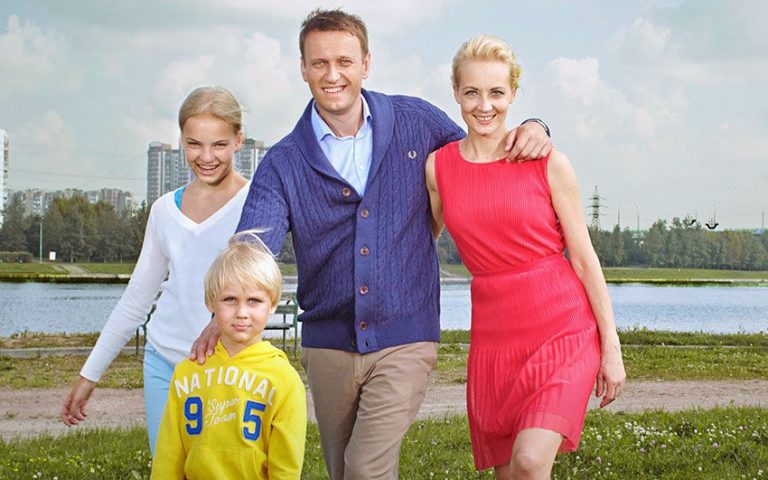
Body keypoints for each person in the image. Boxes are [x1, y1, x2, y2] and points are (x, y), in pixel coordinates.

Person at [190, 9, 552, 479]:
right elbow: (254, 245)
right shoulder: (282, 162)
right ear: (303, 69)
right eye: (320, 63)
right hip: (328, 343)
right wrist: (225, 310)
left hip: (406, 334)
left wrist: (536, 126)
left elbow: (482, 149)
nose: (333, 74)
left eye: (344, 61)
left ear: (366, 64)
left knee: (365, 469)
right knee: (343, 471)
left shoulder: (415, 122)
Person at [425, 35, 626, 479]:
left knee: (531, 462)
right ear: (455, 92)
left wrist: (610, 346)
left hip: (563, 330)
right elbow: (421, 243)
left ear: (513, 93)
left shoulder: (548, 162)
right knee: (511, 472)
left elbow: (584, 258)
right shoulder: (438, 168)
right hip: (494, 341)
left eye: (497, 92)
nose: (484, 106)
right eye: (472, 92)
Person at [60, 86, 252, 455]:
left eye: (219, 145)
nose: (206, 157)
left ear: (238, 140)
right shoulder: (164, 210)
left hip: (231, 368)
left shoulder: (256, 203)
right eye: (194, 144)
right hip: (164, 364)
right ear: (181, 141)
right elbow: (136, 299)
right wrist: (89, 375)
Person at [150, 231, 306, 479]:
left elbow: (286, 468)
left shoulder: (284, 379)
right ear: (210, 302)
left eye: (254, 300)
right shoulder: (186, 372)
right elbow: (168, 457)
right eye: (230, 299)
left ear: (273, 303)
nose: (242, 312)